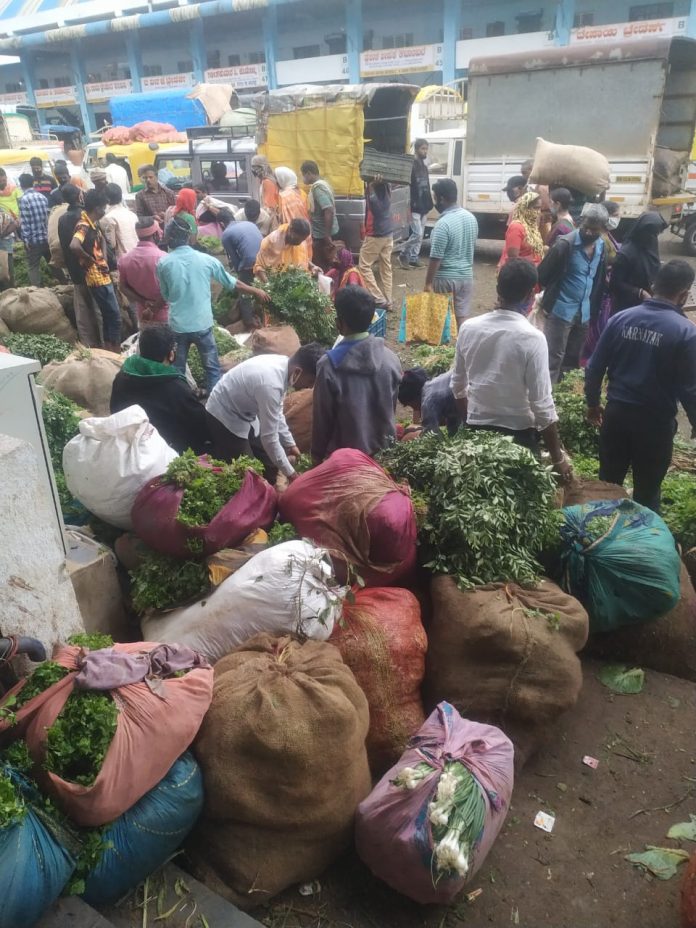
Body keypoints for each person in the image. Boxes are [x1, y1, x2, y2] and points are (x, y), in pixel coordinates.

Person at [585, 259, 696, 512]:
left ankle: (601, 541)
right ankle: (639, 543)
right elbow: (690, 389)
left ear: (654, 285)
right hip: (654, 426)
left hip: (616, 417)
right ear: (684, 294)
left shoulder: (620, 319)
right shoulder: (686, 333)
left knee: (607, 486)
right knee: (647, 494)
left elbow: (593, 368)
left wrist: (593, 404)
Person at [450, 259, 571, 479]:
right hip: (520, 438)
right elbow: (542, 406)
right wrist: (558, 458)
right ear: (530, 295)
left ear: (498, 289)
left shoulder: (468, 328)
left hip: (477, 432)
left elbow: (457, 387)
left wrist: (470, 422)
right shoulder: (533, 339)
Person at [156, 216, 270, 392]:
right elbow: (233, 283)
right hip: (202, 324)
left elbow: (165, 295)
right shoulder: (207, 260)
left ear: (169, 238)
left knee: (177, 371)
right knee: (212, 369)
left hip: (178, 326)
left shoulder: (163, 263)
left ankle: (182, 405)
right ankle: (213, 407)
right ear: (189, 237)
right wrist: (256, 291)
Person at [206, 344, 324, 482]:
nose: (310, 387)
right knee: (248, 473)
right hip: (223, 414)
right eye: (310, 381)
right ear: (298, 371)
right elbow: (269, 438)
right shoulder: (271, 384)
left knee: (270, 464)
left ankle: (270, 490)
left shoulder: (285, 367)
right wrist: (292, 474)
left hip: (246, 413)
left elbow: (277, 412)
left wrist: (290, 444)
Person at [311, 285, 402, 462]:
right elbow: (390, 408)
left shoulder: (328, 366)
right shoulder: (391, 359)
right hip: (384, 459)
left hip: (344, 461)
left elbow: (322, 420)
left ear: (339, 323)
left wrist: (316, 457)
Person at [110, 323, 210, 454]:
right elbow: (200, 426)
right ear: (171, 354)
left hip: (126, 446)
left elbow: (114, 410)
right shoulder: (176, 387)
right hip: (165, 452)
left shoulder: (122, 376)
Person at [538, 203, 608, 383]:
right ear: (580, 223)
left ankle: (564, 394)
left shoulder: (601, 247)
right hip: (561, 309)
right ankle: (548, 396)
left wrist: (594, 310)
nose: (590, 233)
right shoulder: (564, 245)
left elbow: (599, 280)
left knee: (573, 358)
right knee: (553, 357)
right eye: (587, 228)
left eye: (595, 230)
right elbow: (543, 275)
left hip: (583, 312)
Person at [69, 189, 122, 352]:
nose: (105, 210)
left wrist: (103, 257)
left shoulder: (92, 223)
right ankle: (114, 350)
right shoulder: (83, 225)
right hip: (96, 277)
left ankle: (109, 348)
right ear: (97, 208)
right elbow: (74, 245)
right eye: (104, 206)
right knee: (114, 317)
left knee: (109, 316)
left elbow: (100, 242)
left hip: (101, 274)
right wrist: (88, 259)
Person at [424, 178, 478, 328]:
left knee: (440, 321)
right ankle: (464, 349)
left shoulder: (443, 224)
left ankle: (441, 350)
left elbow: (436, 257)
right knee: (462, 318)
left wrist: (428, 283)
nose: (434, 202)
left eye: (435, 198)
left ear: (441, 198)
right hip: (466, 277)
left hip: (445, 279)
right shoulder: (471, 218)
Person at [58, 184, 101, 346]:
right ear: (80, 197)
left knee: (82, 314)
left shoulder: (62, 219)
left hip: (75, 272)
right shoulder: (86, 217)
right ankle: (106, 346)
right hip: (93, 271)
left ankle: (88, 346)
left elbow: (63, 248)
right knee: (99, 311)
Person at [609, 211, 668, 314]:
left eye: (656, 234)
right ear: (643, 231)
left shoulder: (651, 246)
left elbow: (653, 268)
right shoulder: (626, 254)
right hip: (627, 307)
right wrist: (640, 292)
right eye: (652, 233)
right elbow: (615, 283)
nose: (654, 237)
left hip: (649, 305)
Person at [117, 217, 168, 326]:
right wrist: (154, 308)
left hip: (143, 315)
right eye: (159, 231)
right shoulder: (164, 258)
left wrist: (144, 302)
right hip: (166, 315)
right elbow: (169, 290)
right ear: (155, 235)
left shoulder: (125, 259)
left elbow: (122, 287)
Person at [221, 210, 263, 328]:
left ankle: (248, 321)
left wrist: (240, 275)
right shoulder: (250, 224)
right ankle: (262, 314)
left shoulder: (226, 234)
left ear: (221, 224)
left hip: (250, 261)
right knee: (260, 287)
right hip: (264, 258)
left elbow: (234, 259)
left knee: (245, 291)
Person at [358, 177, 393, 309]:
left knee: (364, 266)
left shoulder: (374, 189)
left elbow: (378, 210)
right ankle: (389, 300)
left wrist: (371, 186)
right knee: (386, 267)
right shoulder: (386, 186)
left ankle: (379, 299)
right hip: (388, 233)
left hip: (377, 234)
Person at [399, 139, 433, 270]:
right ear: (417, 149)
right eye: (423, 149)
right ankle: (403, 254)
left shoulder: (424, 166)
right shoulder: (411, 166)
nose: (425, 151)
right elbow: (407, 187)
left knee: (421, 233)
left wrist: (429, 203)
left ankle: (413, 258)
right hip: (414, 205)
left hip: (424, 204)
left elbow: (426, 186)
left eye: (426, 149)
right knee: (417, 233)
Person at [398, 367, 463, 435]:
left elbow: (432, 436)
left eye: (413, 406)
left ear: (414, 399)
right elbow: (453, 419)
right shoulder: (434, 386)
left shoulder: (427, 402)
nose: (416, 410)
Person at [301, 160, 339, 271]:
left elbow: (328, 210)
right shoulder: (324, 183)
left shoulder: (318, 188)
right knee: (328, 264)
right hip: (324, 233)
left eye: (303, 175)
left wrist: (326, 235)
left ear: (308, 173)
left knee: (321, 267)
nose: (303, 178)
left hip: (322, 235)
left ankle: (325, 287)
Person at [18, 172, 54, 287]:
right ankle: (64, 282)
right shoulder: (42, 197)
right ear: (33, 183)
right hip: (45, 237)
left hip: (33, 241)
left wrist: (26, 241)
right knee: (52, 263)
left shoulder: (24, 200)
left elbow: (25, 223)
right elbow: (47, 219)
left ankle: (37, 290)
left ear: (21, 185)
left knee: (33, 267)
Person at [254, 218, 319, 282]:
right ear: (290, 230)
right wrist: (269, 286)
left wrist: (312, 266)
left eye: (302, 240)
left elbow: (302, 257)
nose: (300, 243)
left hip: (292, 282)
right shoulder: (271, 241)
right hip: (272, 282)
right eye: (298, 239)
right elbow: (259, 266)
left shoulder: (298, 242)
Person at [499, 191, 545, 269]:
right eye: (535, 208)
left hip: (533, 273)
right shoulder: (516, 227)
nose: (538, 212)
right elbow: (513, 259)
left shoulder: (532, 226)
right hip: (521, 274)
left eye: (539, 208)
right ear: (525, 208)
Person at [101, 183, 138, 258]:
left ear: (106, 199)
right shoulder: (132, 214)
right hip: (138, 254)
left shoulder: (108, 218)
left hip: (123, 259)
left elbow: (111, 244)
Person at [0, 203, 19, 290]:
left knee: (7, 269)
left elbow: (15, 223)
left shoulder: (4, 212)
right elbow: (15, 223)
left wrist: (2, 235)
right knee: (7, 269)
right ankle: (9, 288)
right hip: (6, 244)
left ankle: (8, 289)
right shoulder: (4, 210)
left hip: (5, 245)